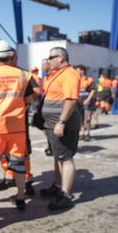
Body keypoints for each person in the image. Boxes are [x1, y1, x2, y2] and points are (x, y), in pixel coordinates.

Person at [0, 40, 38, 211]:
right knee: (19, 166)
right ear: (11, 56)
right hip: (17, 128)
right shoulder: (24, 75)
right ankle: (20, 198)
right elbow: (31, 97)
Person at [39, 47, 80, 211]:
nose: (48, 60)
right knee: (58, 157)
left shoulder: (70, 74)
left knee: (65, 158)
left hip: (61, 124)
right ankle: (58, 186)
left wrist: (61, 122)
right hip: (52, 124)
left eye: (51, 57)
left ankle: (66, 195)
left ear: (61, 58)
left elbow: (70, 100)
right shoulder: (56, 75)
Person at [75, 65, 96, 141]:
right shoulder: (76, 79)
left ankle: (88, 133)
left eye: (77, 70)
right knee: (80, 119)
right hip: (78, 102)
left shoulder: (89, 79)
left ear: (82, 71)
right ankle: (82, 133)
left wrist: (88, 99)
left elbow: (93, 90)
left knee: (87, 119)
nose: (76, 71)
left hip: (87, 102)